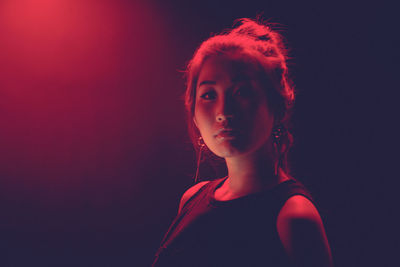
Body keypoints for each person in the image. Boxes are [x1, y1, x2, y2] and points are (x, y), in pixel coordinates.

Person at [152, 18, 333, 267]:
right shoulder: (191, 198)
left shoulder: (294, 218)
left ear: (276, 106)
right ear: (193, 112)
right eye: (208, 95)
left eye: (242, 92)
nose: (223, 111)